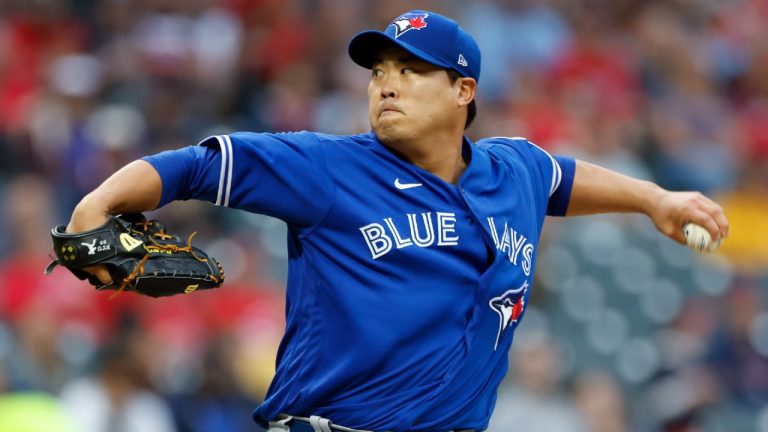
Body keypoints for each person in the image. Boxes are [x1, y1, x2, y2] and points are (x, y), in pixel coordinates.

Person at [63, 10, 729, 432]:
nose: (387, 83)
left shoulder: (512, 171)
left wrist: (654, 199)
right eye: (380, 70)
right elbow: (192, 165)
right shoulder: (327, 169)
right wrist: (95, 208)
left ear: (463, 91)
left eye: (411, 70)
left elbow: (565, 180)